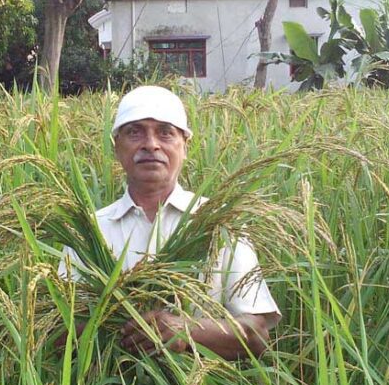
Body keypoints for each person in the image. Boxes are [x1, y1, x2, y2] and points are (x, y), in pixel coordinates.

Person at [60, 86, 280, 359]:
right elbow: (62, 330)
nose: (151, 144)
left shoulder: (221, 224)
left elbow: (256, 334)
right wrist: (124, 326)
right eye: (135, 132)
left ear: (185, 147)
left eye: (165, 132)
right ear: (116, 147)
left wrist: (188, 331)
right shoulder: (90, 231)